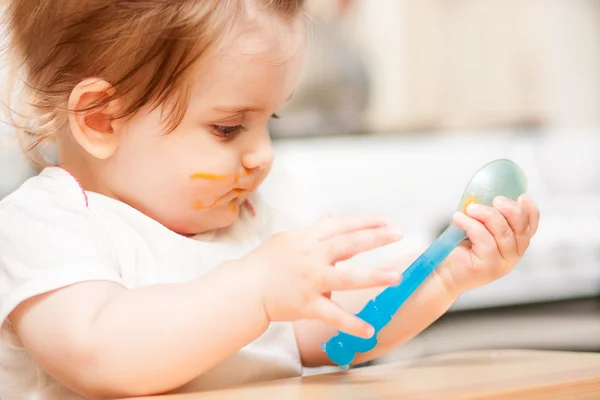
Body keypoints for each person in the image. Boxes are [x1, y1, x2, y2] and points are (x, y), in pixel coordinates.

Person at [0, 1, 540, 399]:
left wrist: (443, 278)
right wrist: (256, 289)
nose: (263, 155)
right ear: (101, 119)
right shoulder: (47, 225)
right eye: (229, 127)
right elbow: (102, 354)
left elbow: (330, 334)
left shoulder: (247, 226)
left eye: (269, 120)